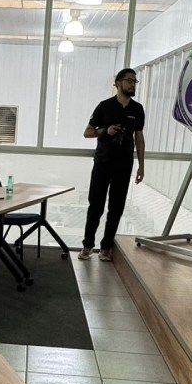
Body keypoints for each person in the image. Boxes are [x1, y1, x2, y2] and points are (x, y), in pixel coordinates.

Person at [81, 68, 146, 261]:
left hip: (124, 166)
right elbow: (87, 132)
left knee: (116, 208)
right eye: (128, 80)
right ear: (117, 83)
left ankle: (106, 247)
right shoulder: (104, 106)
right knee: (96, 206)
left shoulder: (137, 109)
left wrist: (141, 166)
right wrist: (105, 131)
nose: (132, 84)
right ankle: (87, 245)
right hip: (103, 163)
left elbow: (139, 138)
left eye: (135, 81)